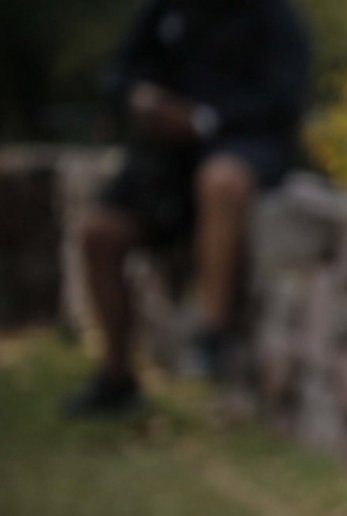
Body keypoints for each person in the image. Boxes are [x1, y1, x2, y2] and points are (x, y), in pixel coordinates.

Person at [65, 0, 309, 417]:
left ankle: (211, 338)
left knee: (221, 181)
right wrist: (138, 98)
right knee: (97, 232)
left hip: (242, 146)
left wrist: (203, 120)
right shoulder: (165, 10)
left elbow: (286, 100)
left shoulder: (273, 16)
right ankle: (116, 378)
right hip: (164, 162)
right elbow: (120, 71)